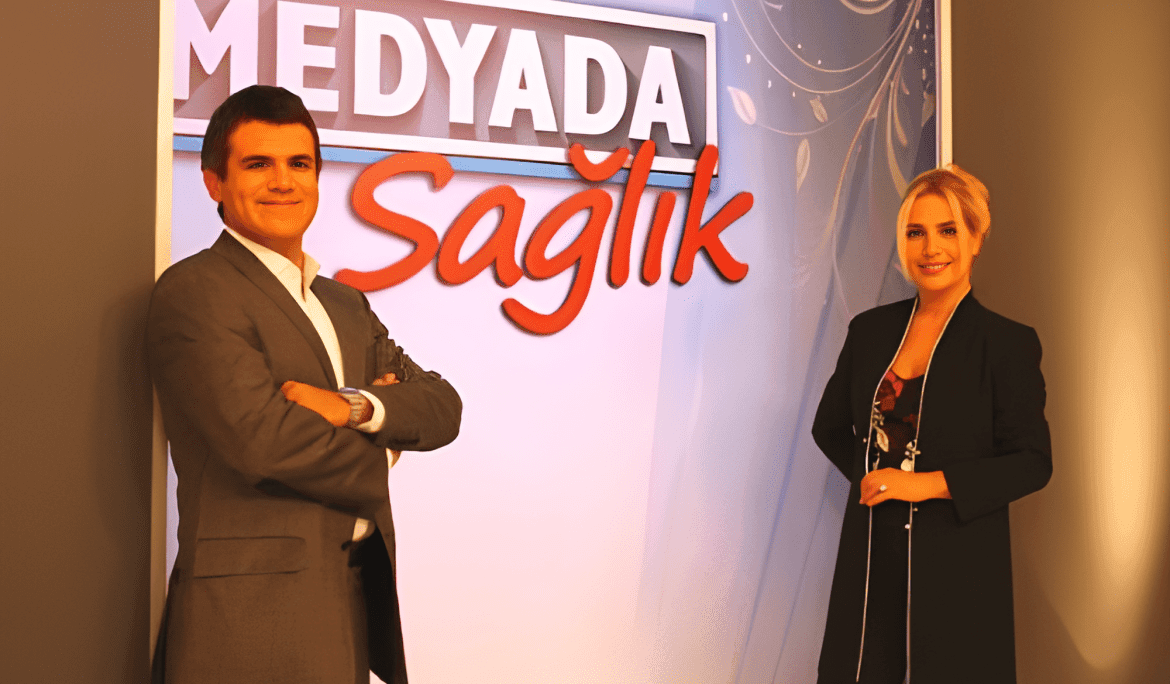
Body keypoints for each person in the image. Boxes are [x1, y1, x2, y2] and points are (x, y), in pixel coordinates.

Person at [147, 85, 461, 684]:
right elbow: (264, 441)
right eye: (257, 164)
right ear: (213, 182)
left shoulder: (343, 303)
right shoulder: (196, 291)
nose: (283, 182)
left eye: (299, 163)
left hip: (349, 598)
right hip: (249, 617)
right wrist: (386, 450)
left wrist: (353, 407)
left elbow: (441, 405)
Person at [811, 164, 1051, 683]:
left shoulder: (1005, 344)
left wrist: (922, 485)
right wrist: (877, 480)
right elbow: (828, 428)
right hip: (872, 559)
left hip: (957, 565)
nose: (931, 248)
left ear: (976, 239)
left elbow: (1032, 462)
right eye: (916, 232)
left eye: (948, 230)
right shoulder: (870, 331)